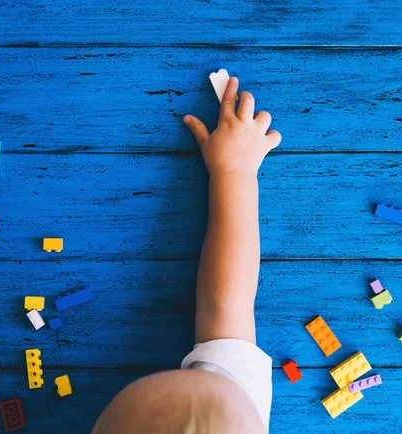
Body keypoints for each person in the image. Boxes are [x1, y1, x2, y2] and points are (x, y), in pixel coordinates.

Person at [92, 77, 282, 434]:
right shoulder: (230, 411)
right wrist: (234, 170)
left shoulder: (231, 411)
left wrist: (233, 170)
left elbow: (225, 308)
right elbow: (225, 306)